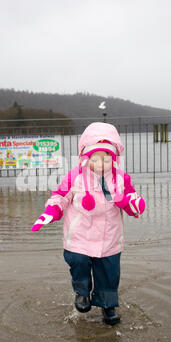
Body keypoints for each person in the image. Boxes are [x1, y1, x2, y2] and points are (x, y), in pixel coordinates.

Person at [31, 123, 145, 325]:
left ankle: (107, 305)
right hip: (79, 234)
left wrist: (129, 202)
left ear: (114, 158)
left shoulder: (121, 179)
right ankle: (82, 292)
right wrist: (51, 211)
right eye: (95, 159)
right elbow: (60, 196)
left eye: (107, 159)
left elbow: (133, 203)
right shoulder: (74, 177)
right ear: (86, 157)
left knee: (109, 272)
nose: (102, 164)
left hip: (108, 236)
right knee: (78, 261)